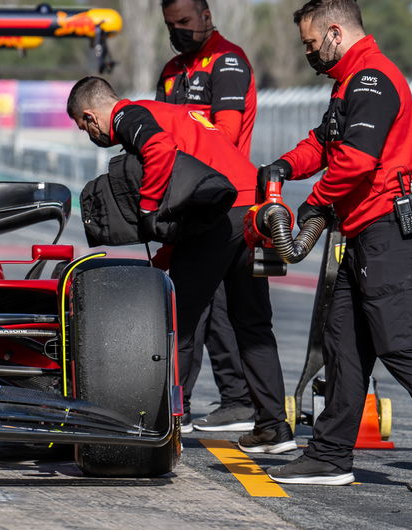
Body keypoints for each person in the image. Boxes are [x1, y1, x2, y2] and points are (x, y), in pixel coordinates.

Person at [261, 0, 412, 492]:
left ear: (336, 33)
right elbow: (324, 144)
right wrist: (282, 167)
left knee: (397, 341)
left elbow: (358, 161)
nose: (308, 51)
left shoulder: (371, 80)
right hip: (367, 232)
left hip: (393, 230)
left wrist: (314, 205)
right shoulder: (349, 84)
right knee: (343, 342)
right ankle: (329, 455)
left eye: (310, 42)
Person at [68, 76, 295, 456]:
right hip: (253, 213)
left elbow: (159, 150)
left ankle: (166, 423)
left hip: (221, 217)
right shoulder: (175, 114)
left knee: (177, 321)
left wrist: (147, 209)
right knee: (254, 325)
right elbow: (193, 183)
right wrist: (167, 254)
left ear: (91, 116)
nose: (88, 133)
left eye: (83, 127)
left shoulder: (129, 115)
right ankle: (274, 428)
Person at [157, 0, 258, 433]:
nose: (178, 30)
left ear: (206, 16)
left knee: (206, 307)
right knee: (210, 309)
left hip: (226, 199)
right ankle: (235, 400)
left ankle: (196, 401)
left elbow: (226, 137)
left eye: (184, 21)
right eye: (169, 24)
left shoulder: (228, 61)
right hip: (189, 203)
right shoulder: (169, 71)